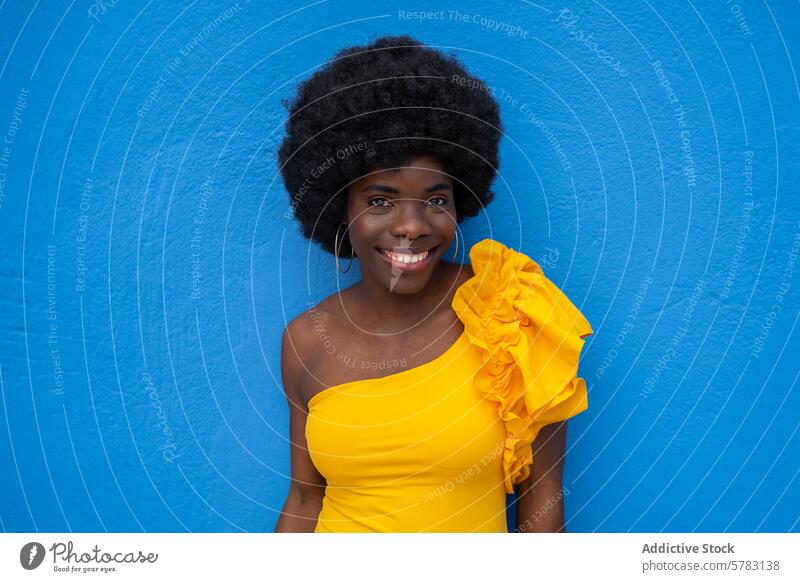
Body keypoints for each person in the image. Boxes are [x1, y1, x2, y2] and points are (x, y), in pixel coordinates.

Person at [274, 34, 592, 533]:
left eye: (435, 200)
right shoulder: (306, 340)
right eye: (380, 201)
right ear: (342, 211)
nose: (412, 226)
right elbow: (304, 500)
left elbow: (543, 494)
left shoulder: (510, 310)